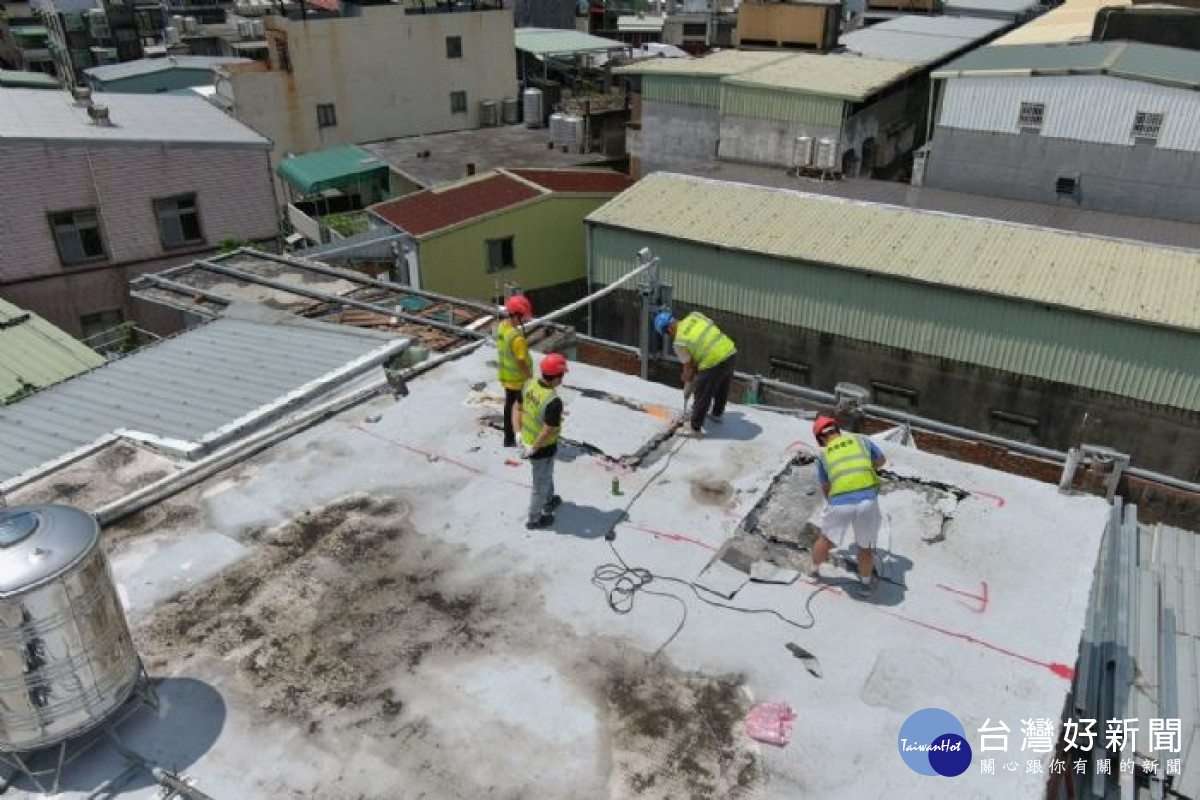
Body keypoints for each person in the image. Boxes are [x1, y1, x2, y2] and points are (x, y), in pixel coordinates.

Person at [808, 414, 888, 597]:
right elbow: (881, 461)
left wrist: (832, 507)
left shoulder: (824, 456)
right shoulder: (861, 441)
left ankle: (813, 570)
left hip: (840, 503)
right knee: (865, 547)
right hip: (867, 501)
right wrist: (867, 467)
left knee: (826, 540)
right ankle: (865, 585)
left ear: (821, 438)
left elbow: (827, 488)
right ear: (838, 430)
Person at [654, 310, 737, 437]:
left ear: (668, 330)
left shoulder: (679, 343)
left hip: (713, 361)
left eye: (667, 333)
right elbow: (706, 334)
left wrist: (687, 380)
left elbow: (689, 369)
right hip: (729, 352)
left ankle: (694, 428)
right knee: (722, 385)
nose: (669, 336)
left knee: (702, 392)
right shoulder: (695, 315)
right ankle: (717, 414)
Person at [520, 353, 568, 530]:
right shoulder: (553, 401)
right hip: (540, 447)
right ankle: (534, 519)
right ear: (556, 377)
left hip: (529, 441)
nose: (562, 379)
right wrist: (534, 448)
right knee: (540, 484)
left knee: (546, 474)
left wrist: (520, 435)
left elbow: (518, 408)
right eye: (562, 375)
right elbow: (549, 429)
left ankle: (549, 500)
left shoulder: (530, 384)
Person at [497, 294, 534, 448]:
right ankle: (520, 437)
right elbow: (521, 362)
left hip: (506, 378)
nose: (524, 320)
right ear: (516, 315)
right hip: (519, 380)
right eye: (523, 317)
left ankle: (508, 438)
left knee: (508, 407)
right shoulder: (517, 339)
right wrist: (529, 378)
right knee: (521, 409)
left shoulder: (502, 327)